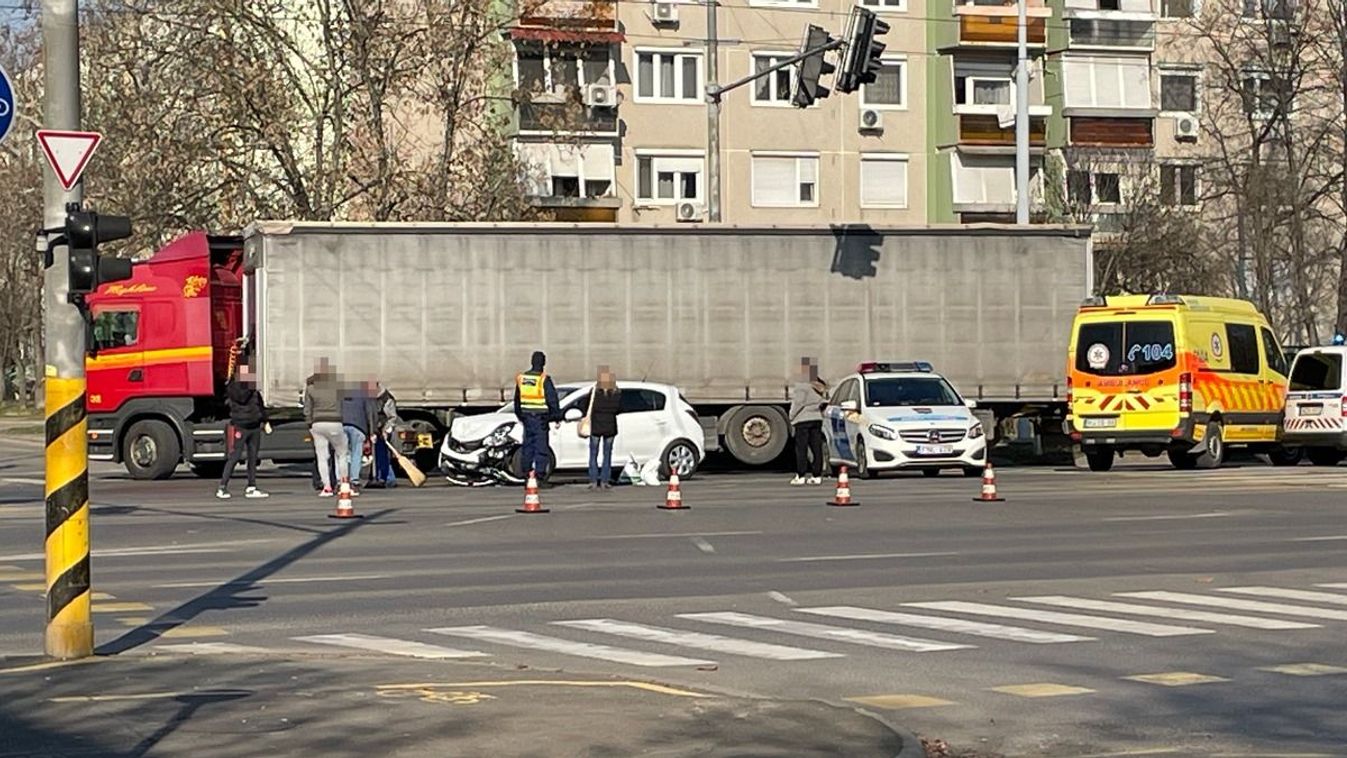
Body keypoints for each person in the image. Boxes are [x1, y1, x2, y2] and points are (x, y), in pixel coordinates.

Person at [216, 368, 270, 500]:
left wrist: (265, 420)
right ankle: (224, 486)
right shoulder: (241, 389)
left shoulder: (243, 389)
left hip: (248, 425)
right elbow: (247, 400)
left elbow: (259, 405)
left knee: (247, 457)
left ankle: (249, 486)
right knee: (239, 457)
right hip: (245, 425)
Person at [513, 350, 560, 484]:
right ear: (543, 363)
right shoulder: (543, 379)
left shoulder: (522, 378)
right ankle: (539, 476)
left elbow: (517, 400)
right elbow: (552, 400)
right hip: (540, 419)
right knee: (541, 448)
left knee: (528, 446)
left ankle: (527, 474)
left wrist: (521, 416)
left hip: (527, 419)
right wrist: (556, 416)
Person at [303, 359, 348, 497]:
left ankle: (327, 487)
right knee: (342, 454)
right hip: (335, 422)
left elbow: (307, 410)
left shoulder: (310, 389)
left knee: (322, 457)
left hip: (317, 424)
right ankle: (343, 484)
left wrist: (309, 423)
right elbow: (344, 404)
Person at [789, 356, 828, 486]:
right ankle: (817, 475)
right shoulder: (820, 385)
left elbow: (798, 403)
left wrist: (791, 416)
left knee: (802, 449)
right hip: (816, 418)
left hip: (802, 419)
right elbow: (824, 401)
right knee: (816, 447)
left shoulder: (802, 386)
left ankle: (801, 475)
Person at [587, 366, 621, 490]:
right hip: (610, 427)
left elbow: (587, 407)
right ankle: (605, 480)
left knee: (593, 454)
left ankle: (593, 480)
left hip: (596, 427)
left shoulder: (595, 393)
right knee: (607, 455)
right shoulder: (617, 394)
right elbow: (619, 409)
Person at [340, 380, 377, 496]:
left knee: (342, 455)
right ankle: (354, 481)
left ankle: (341, 481)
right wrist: (372, 432)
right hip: (359, 426)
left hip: (341, 425)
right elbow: (370, 413)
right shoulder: (364, 395)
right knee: (356, 454)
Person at [369, 382, 400, 489]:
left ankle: (387, 478)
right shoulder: (368, 397)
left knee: (383, 454)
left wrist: (386, 430)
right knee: (376, 455)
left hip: (383, 430)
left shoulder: (387, 400)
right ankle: (377, 476)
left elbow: (392, 417)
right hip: (374, 429)